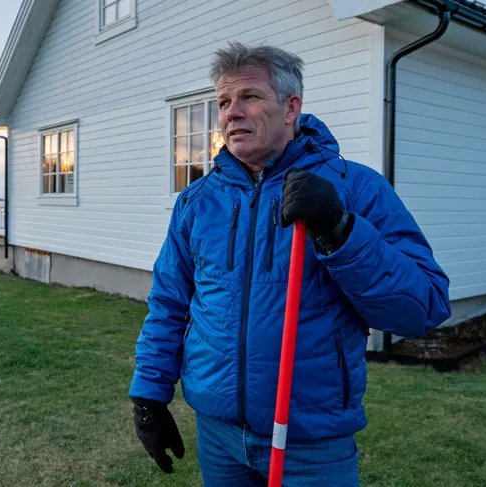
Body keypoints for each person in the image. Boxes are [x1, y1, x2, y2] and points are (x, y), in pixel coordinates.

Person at [128, 41, 452, 486]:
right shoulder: (198, 201)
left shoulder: (354, 187)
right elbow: (169, 304)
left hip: (310, 443)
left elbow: (423, 308)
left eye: (250, 97)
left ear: (290, 107)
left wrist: (340, 229)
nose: (232, 113)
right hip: (218, 436)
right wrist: (149, 395)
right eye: (224, 102)